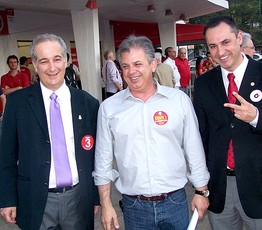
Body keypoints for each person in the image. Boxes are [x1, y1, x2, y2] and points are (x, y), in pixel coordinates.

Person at [93, 35, 210, 230]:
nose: (132, 72)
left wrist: (201, 191)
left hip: (175, 202)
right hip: (134, 206)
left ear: (153, 64)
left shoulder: (178, 101)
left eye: (138, 64)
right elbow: (102, 161)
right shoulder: (109, 108)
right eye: (126, 66)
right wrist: (106, 204)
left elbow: (194, 148)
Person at [193, 15, 262, 230]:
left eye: (225, 42)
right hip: (220, 186)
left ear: (239, 38)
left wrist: (257, 117)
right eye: (212, 46)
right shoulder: (203, 84)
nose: (220, 52)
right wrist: (201, 187)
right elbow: (201, 138)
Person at [0, 33, 100, 230]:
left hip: (78, 199)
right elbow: (6, 156)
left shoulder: (88, 103)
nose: (52, 67)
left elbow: (96, 156)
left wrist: (95, 196)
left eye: (57, 59)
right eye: (44, 61)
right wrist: (7, 198)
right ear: (35, 65)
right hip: (35, 198)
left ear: (66, 61)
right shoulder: (17, 103)